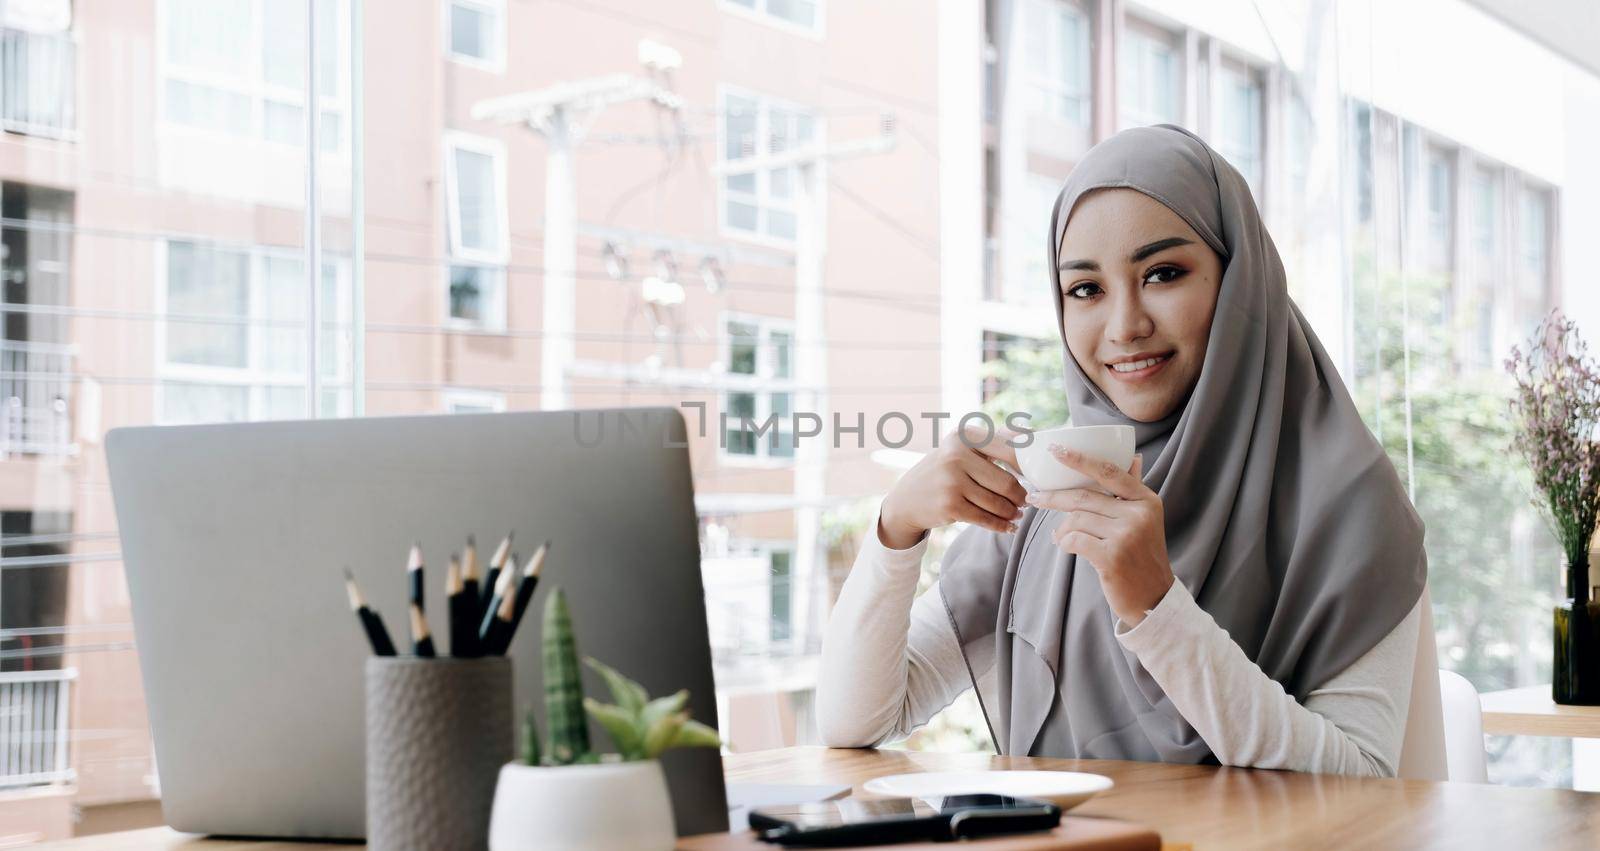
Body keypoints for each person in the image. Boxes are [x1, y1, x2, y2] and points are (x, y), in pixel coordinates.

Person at [816, 124, 1427, 776]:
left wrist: (1156, 606)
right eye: (1086, 289)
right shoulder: (1061, 486)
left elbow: (1364, 781)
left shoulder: (1349, 496)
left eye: (1162, 273)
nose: (1125, 325)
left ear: (1240, 280)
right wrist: (897, 527)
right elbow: (859, 719)